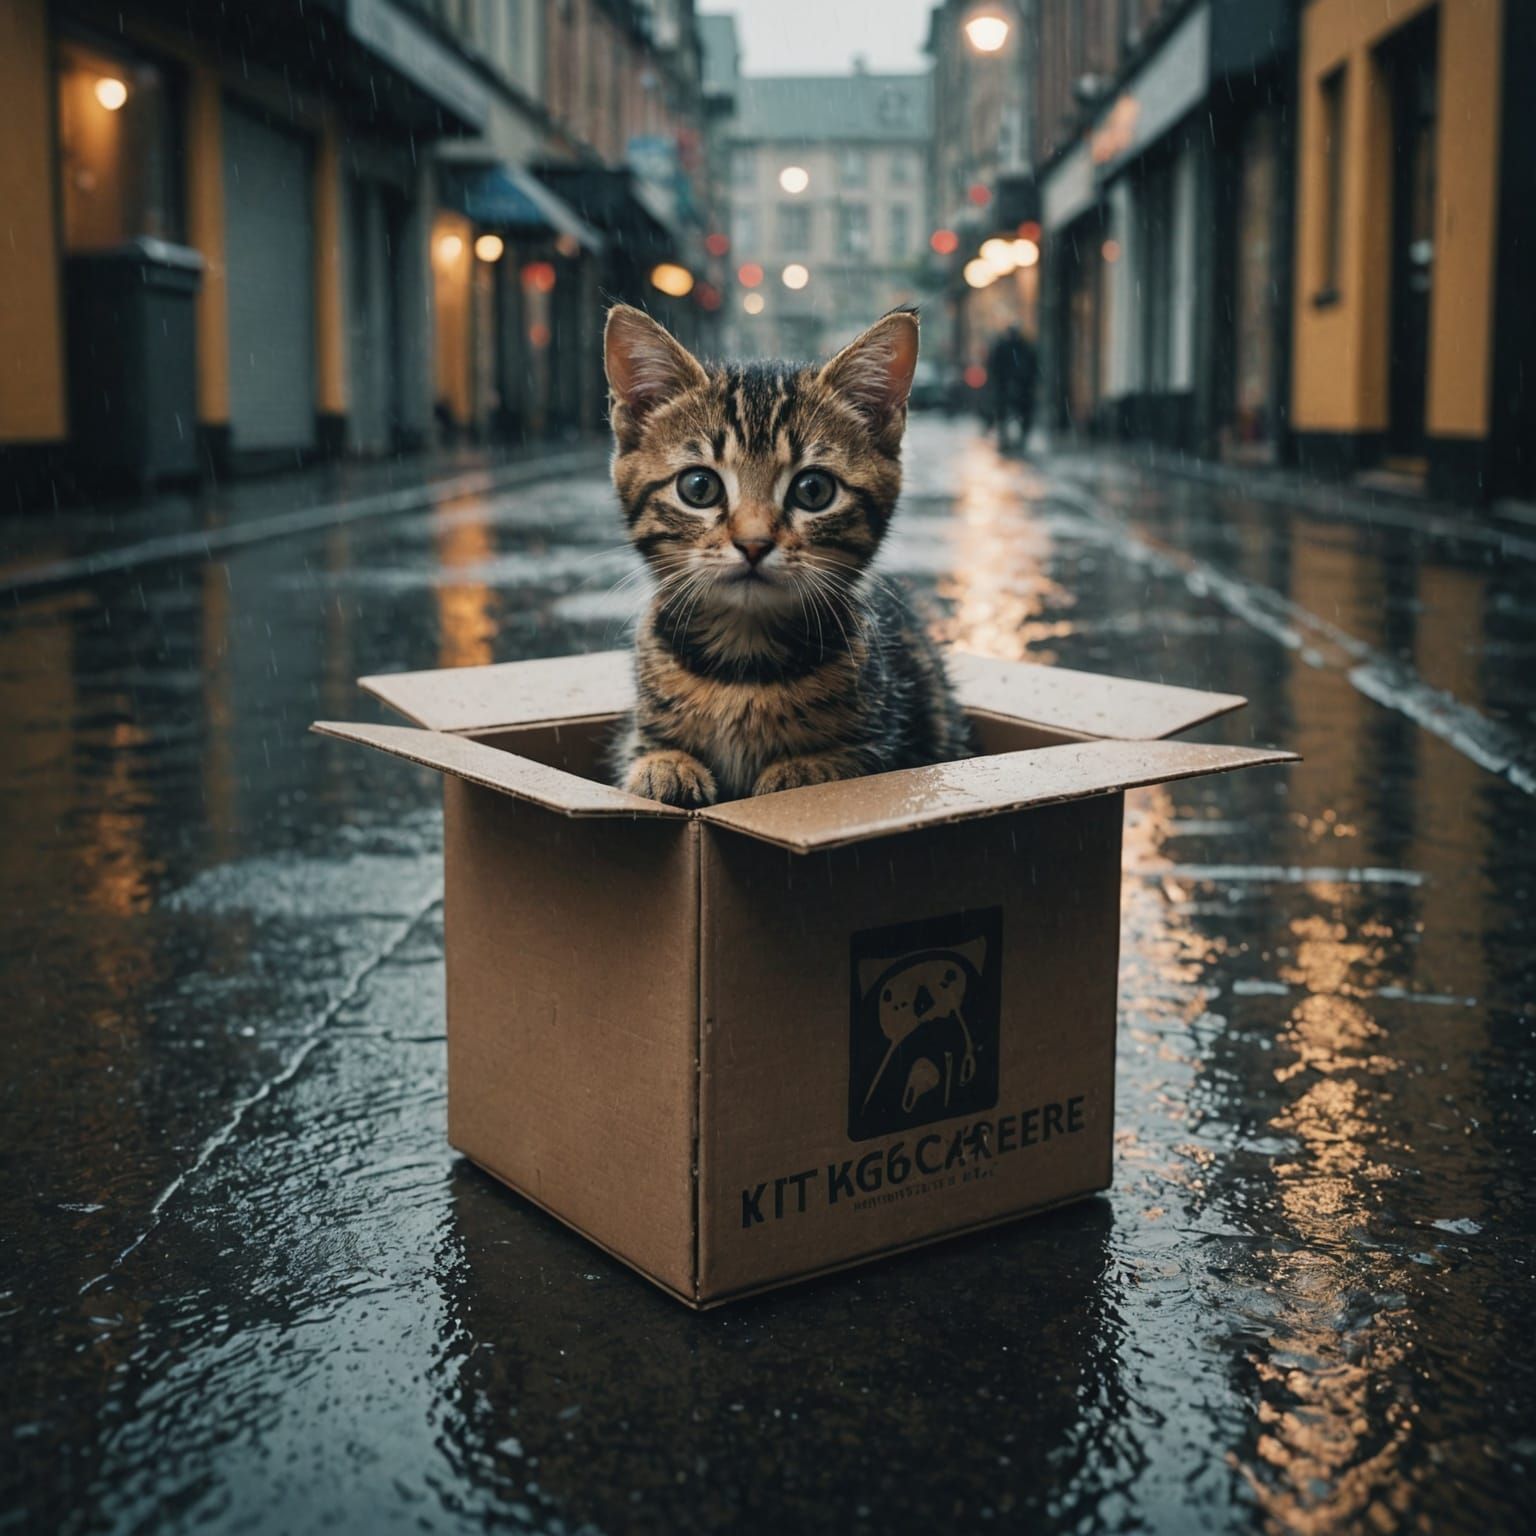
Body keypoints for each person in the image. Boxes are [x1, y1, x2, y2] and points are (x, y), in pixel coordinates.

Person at [986, 325, 1038, 452]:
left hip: (1017, 386)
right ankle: (1009, 439)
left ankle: (1011, 440)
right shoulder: (1022, 348)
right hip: (1013, 386)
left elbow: (993, 365)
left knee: (1013, 413)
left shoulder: (1017, 348)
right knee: (1009, 413)